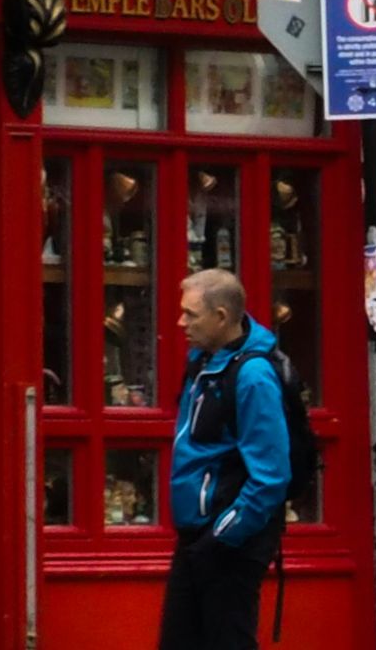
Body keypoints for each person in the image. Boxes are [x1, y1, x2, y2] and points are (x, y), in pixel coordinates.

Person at [160, 268, 289, 650]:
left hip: (230, 541)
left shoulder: (252, 377)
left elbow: (271, 475)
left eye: (191, 314)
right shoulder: (203, 362)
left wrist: (222, 536)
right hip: (197, 536)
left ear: (220, 317)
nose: (180, 322)